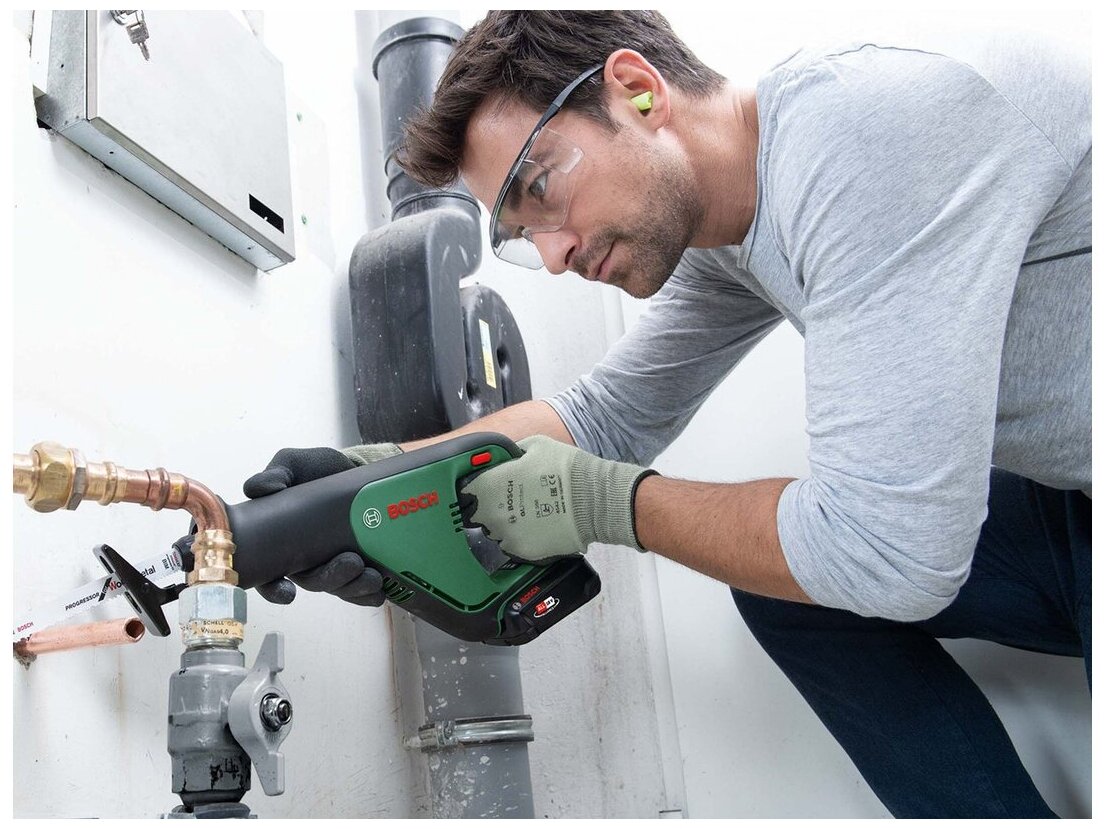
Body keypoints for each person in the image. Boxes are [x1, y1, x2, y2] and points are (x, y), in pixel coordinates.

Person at [245, 11, 1091, 818]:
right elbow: (604, 417)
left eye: (541, 187)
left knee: (855, 556)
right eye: (523, 233)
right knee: (796, 594)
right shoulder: (732, 225)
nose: (554, 255)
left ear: (638, 91)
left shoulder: (862, 136)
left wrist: (598, 500)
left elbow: (893, 556)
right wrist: (370, 478)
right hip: (1071, 511)